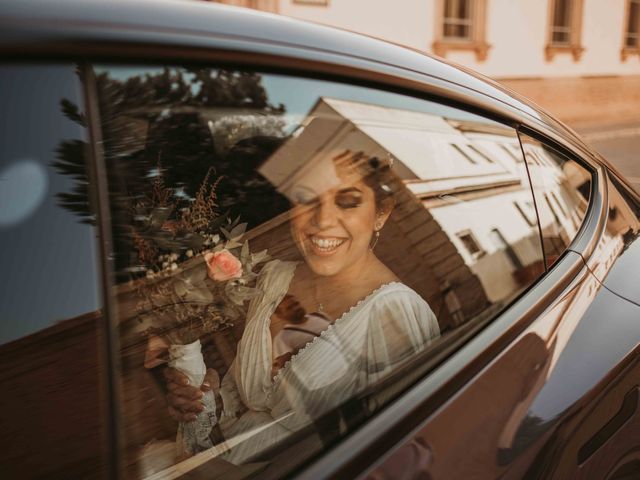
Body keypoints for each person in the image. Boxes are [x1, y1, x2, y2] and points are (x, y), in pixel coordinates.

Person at [165, 149, 440, 463]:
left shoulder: (398, 316)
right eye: (307, 199)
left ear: (381, 213)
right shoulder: (274, 277)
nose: (322, 220)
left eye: (347, 201)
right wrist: (208, 399)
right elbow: (243, 405)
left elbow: (389, 455)